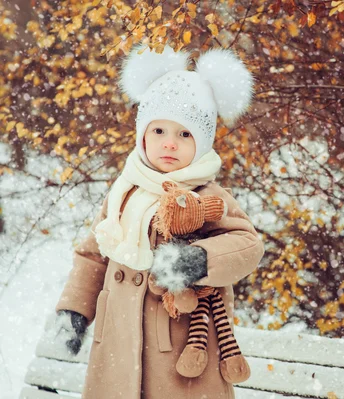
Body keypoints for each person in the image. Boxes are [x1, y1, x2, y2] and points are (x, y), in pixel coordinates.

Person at [52, 43, 264, 399]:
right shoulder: (124, 192)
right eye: (159, 131)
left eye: (184, 134)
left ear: (203, 141)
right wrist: (74, 311)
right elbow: (94, 256)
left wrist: (198, 260)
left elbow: (247, 245)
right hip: (117, 342)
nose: (170, 144)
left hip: (179, 348)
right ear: (142, 135)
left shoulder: (206, 196)